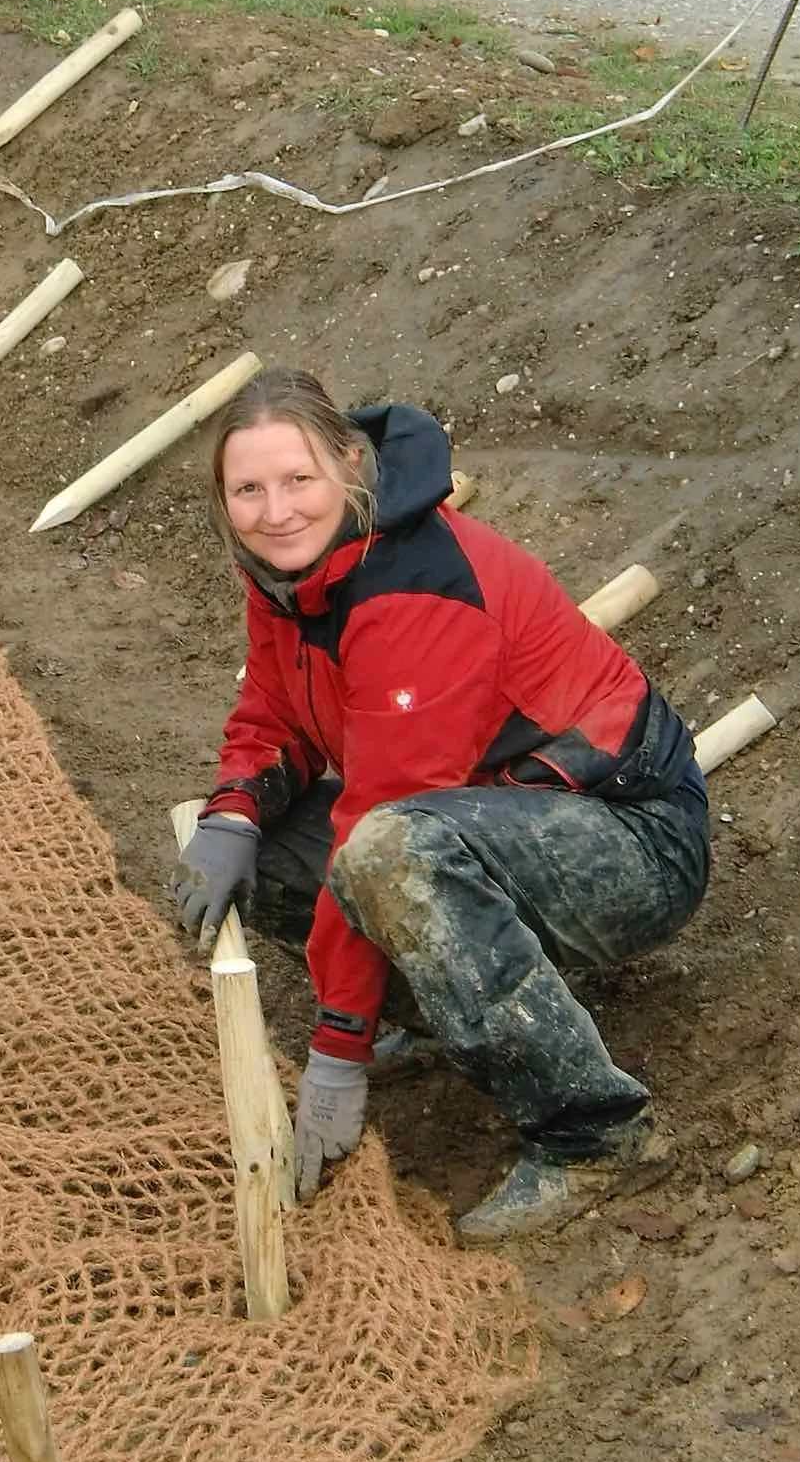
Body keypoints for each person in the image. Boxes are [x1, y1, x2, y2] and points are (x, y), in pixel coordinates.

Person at [171, 366, 710, 1239]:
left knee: (391, 855)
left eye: (299, 480)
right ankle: (446, 1010)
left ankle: (594, 1133)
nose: (276, 511)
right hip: (481, 820)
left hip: (629, 838)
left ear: (351, 465)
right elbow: (274, 710)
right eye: (249, 491)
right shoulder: (286, 570)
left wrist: (336, 1047)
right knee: (262, 848)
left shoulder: (418, 591)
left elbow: (383, 823)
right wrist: (232, 811)